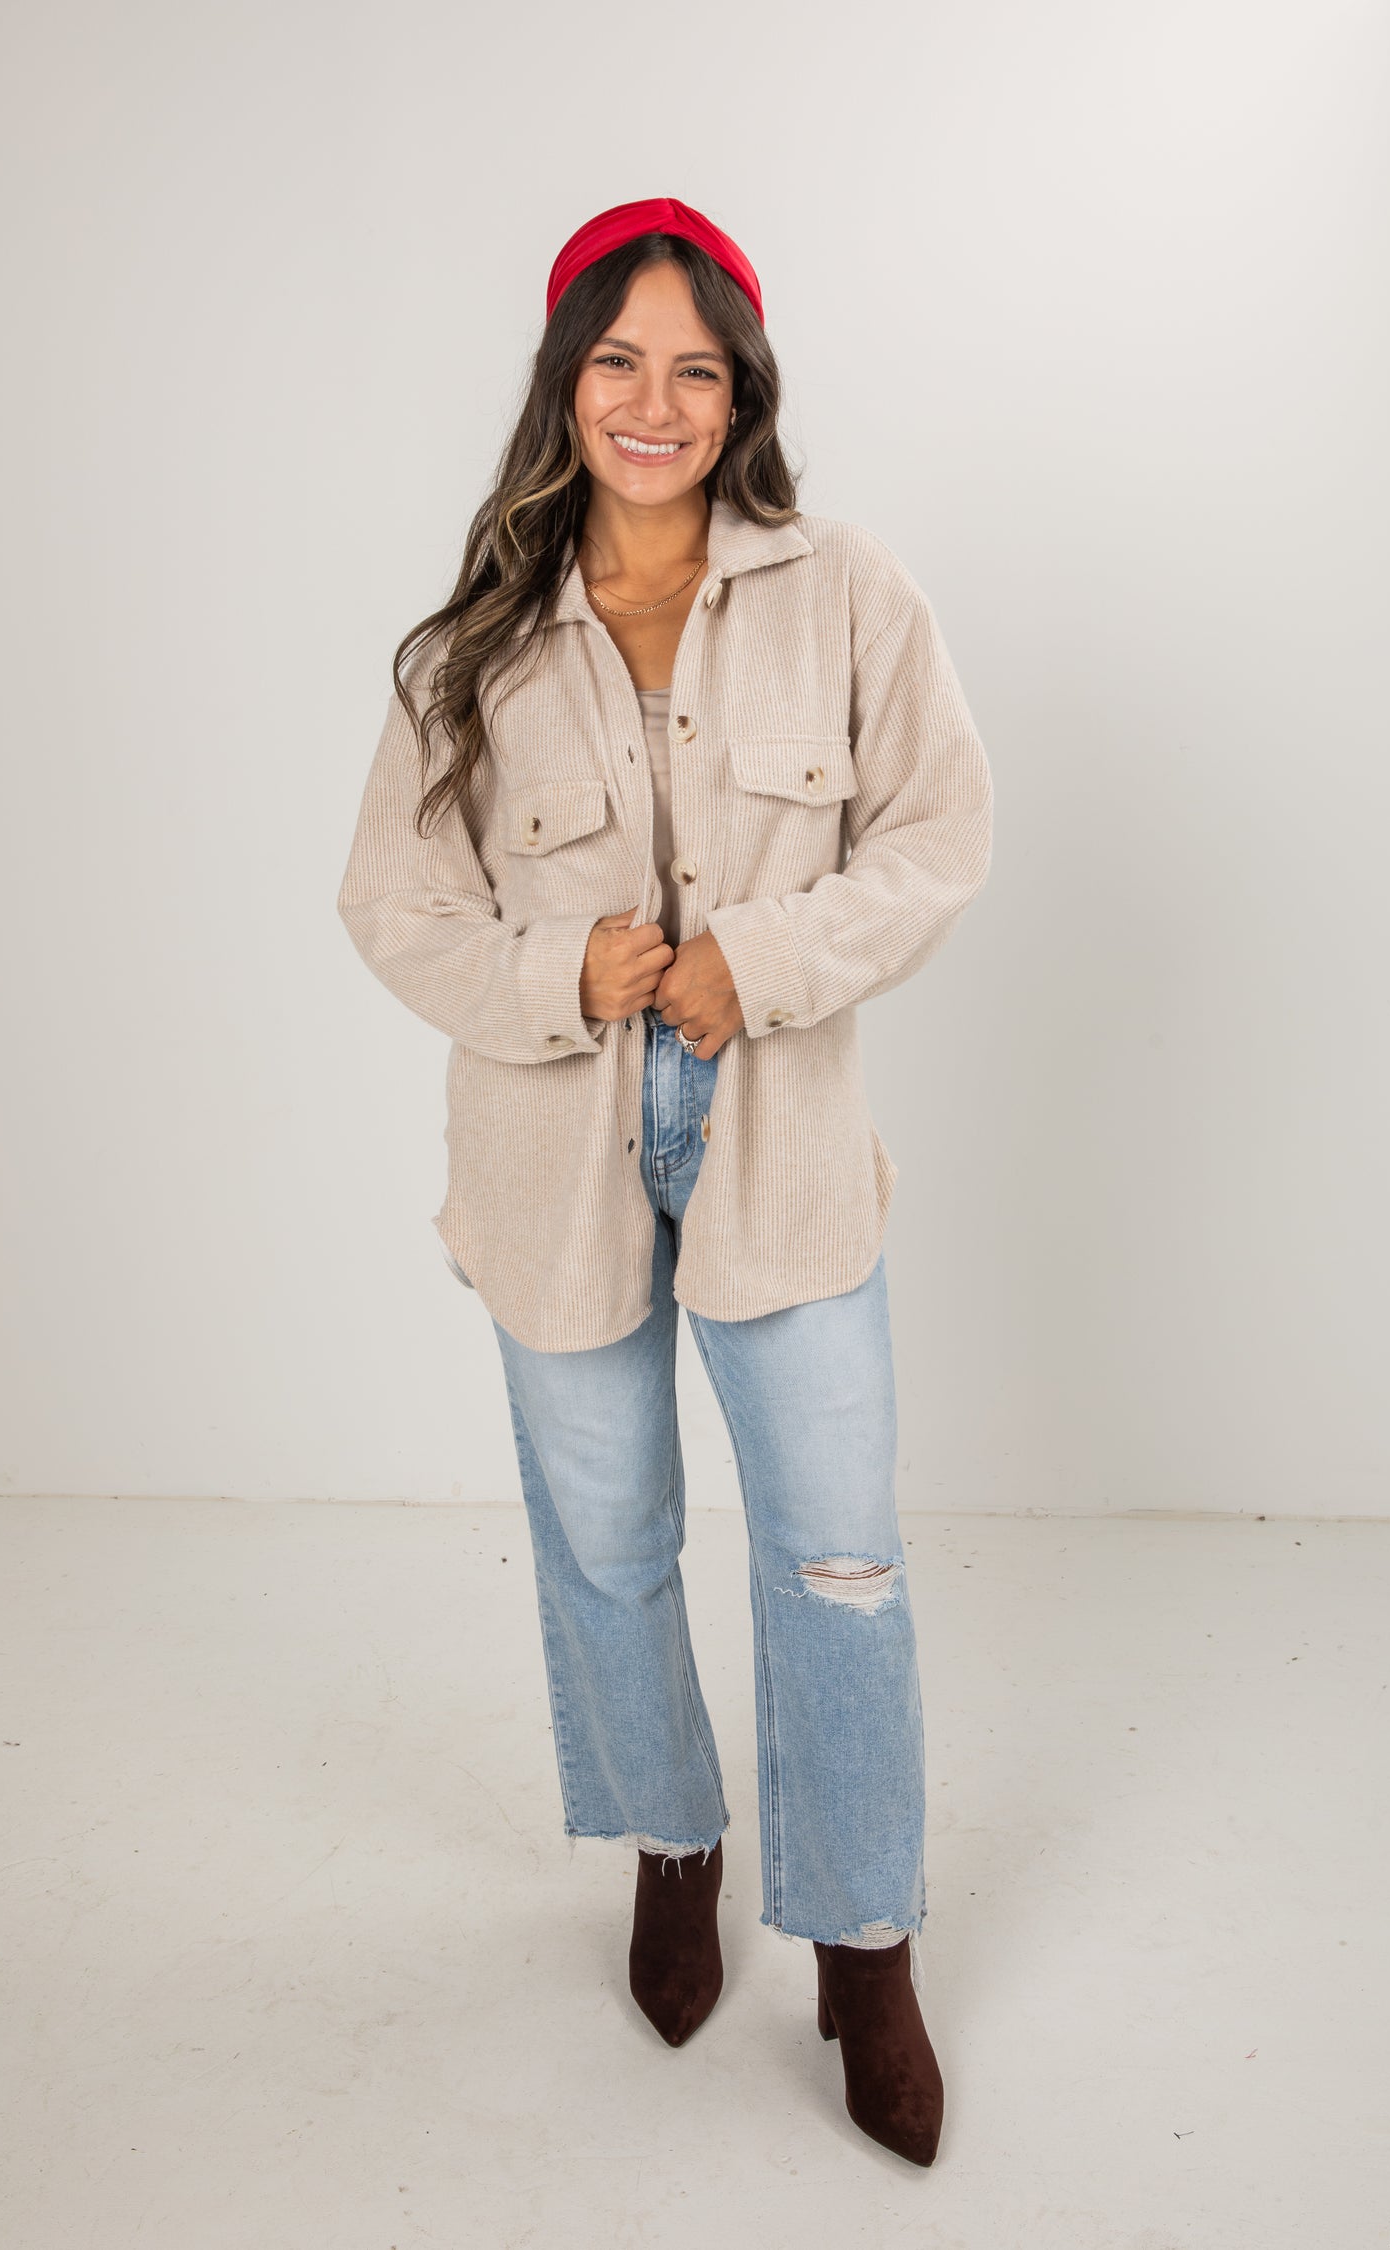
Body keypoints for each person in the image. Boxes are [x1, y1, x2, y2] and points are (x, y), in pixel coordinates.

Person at [337, 196, 994, 2167]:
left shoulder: (845, 590)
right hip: (554, 1151)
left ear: (741, 394)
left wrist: (756, 961)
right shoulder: (471, 646)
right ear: (566, 383)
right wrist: (568, 977)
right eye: (618, 360)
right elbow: (394, 905)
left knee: (840, 1555)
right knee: (608, 1538)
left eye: (695, 367)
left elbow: (941, 832)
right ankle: (672, 1844)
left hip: (782, 1138)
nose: (655, 400)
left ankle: (865, 1943)